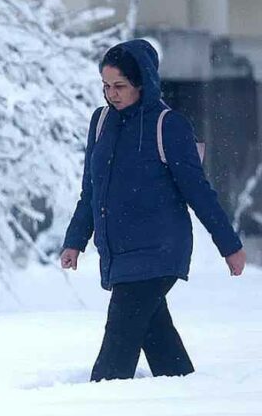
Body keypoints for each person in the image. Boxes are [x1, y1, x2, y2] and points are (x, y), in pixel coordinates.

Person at [60, 39, 246, 382]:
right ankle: (186, 390)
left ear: (141, 83)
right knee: (158, 339)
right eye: (105, 86)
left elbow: (198, 191)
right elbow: (92, 190)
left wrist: (229, 246)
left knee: (117, 348)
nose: (111, 94)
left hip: (159, 250)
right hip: (120, 251)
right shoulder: (101, 122)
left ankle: (98, 402)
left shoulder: (168, 125)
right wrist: (75, 240)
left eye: (119, 86)